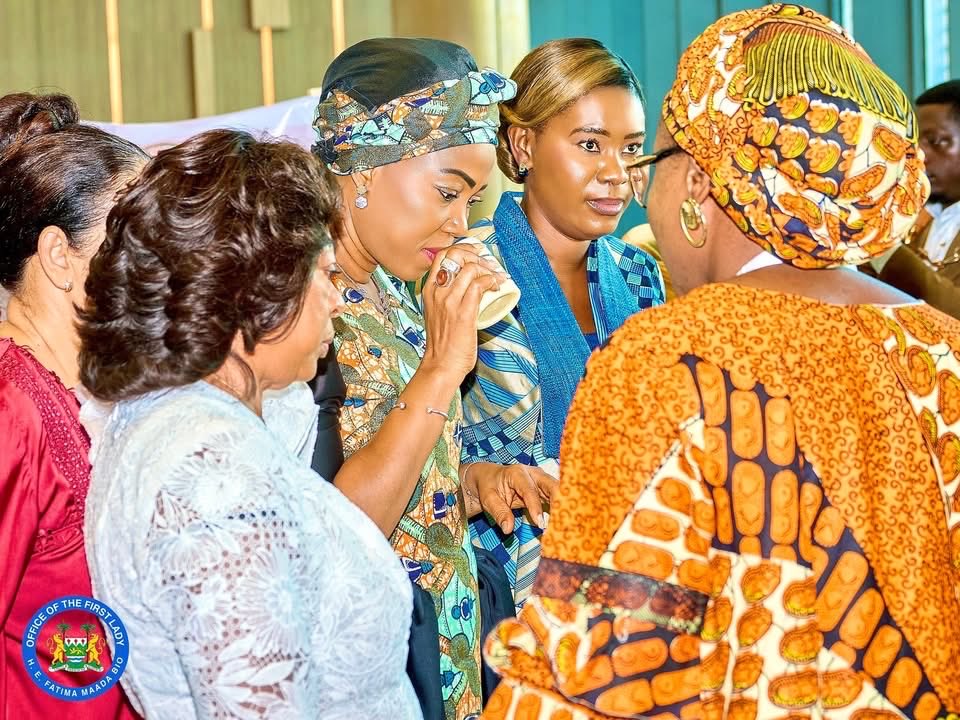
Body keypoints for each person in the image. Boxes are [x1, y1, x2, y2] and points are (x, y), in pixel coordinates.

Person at [481, 5, 960, 719]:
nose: (634, 182)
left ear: (702, 183)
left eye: (652, 159)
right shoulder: (943, 345)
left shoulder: (666, 360)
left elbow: (599, 669)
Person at [78, 129, 422, 719]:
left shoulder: (179, 418)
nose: (336, 301)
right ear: (256, 295)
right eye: (323, 276)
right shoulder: (212, 475)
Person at [313, 38, 557, 719]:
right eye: (449, 192)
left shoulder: (392, 286)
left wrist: (473, 486)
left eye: (472, 200)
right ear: (364, 166)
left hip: (442, 644)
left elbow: (403, 467)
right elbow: (339, 524)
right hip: (373, 662)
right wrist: (445, 367)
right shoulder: (301, 307)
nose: (459, 224)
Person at [459, 39, 665, 610]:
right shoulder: (465, 271)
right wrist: (476, 474)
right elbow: (402, 440)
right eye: (591, 145)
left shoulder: (641, 273)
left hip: (634, 574)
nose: (616, 174)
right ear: (524, 144)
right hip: (508, 588)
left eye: (631, 149)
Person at [0, 92, 145, 719]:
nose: (163, 263)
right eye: (138, 238)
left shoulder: (102, 391)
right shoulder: (11, 407)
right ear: (60, 256)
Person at [873, 79, 960, 317]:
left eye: (935, 142)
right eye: (915, 142)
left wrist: (878, 243)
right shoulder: (924, 220)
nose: (918, 155)